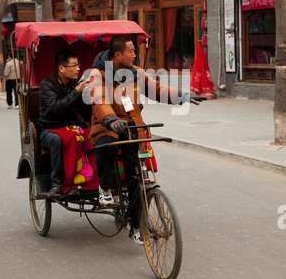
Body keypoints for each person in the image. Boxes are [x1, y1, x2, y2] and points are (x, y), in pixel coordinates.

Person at [88, 35, 189, 245]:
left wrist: (182, 96)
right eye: (131, 51)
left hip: (133, 128)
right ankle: (104, 187)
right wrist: (110, 119)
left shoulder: (136, 74)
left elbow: (157, 90)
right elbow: (99, 101)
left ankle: (135, 224)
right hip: (108, 126)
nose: (135, 55)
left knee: (137, 178)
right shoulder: (98, 75)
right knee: (106, 146)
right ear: (118, 55)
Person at [38, 49, 91, 197]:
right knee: (58, 140)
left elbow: (86, 111)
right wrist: (76, 91)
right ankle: (57, 183)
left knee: (91, 135)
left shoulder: (77, 82)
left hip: (73, 127)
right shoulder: (46, 85)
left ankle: (88, 181)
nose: (78, 69)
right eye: (73, 65)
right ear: (61, 68)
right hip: (49, 130)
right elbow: (56, 108)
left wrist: (86, 94)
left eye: (78, 65)